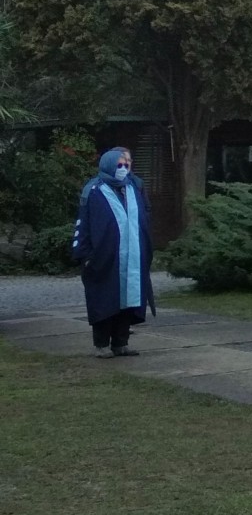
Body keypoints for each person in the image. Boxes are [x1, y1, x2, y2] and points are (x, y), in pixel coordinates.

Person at [71, 147, 154, 359]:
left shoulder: (132, 188)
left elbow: (143, 218)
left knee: (127, 301)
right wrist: (85, 255)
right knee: (105, 301)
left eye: (126, 164)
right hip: (104, 258)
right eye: (119, 165)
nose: (124, 168)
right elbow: (85, 223)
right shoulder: (94, 190)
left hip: (132, 257)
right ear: (108, 164)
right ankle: (101, 344)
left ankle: (121, 343)